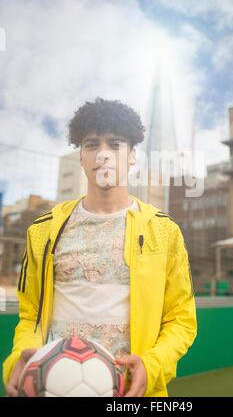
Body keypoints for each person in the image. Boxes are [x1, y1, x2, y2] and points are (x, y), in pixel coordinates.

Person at [3, 98, 197, 397]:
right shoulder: (43, 231)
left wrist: (152, 364)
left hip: (131, 393)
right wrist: (22, 357)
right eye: (92, 144)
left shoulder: (164, 231)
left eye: (115, 143)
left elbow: (181, 319)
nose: (103, 154)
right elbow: (30, 315)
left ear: (132, 155)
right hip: (52, 387)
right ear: (81, 156)